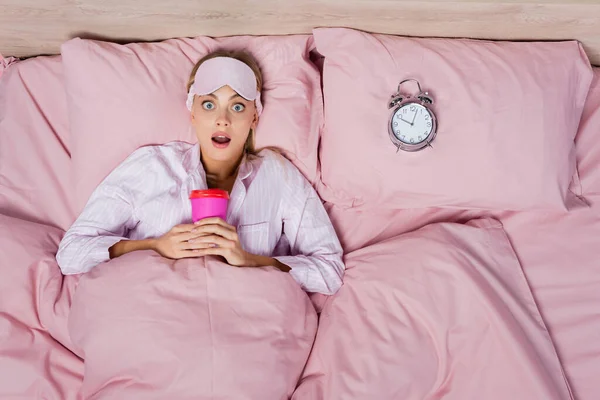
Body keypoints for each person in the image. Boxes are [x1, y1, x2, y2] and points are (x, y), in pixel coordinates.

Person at [56, 50, 345, 295]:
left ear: (254, 116)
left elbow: (329, 272)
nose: (222, 120)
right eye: (209, 105)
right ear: (192, 113)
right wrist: (154, 247)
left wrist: (249, 260)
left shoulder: (279, 177)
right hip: (155, 313)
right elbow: (71, 253)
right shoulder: (152, 167)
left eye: (237, 106)